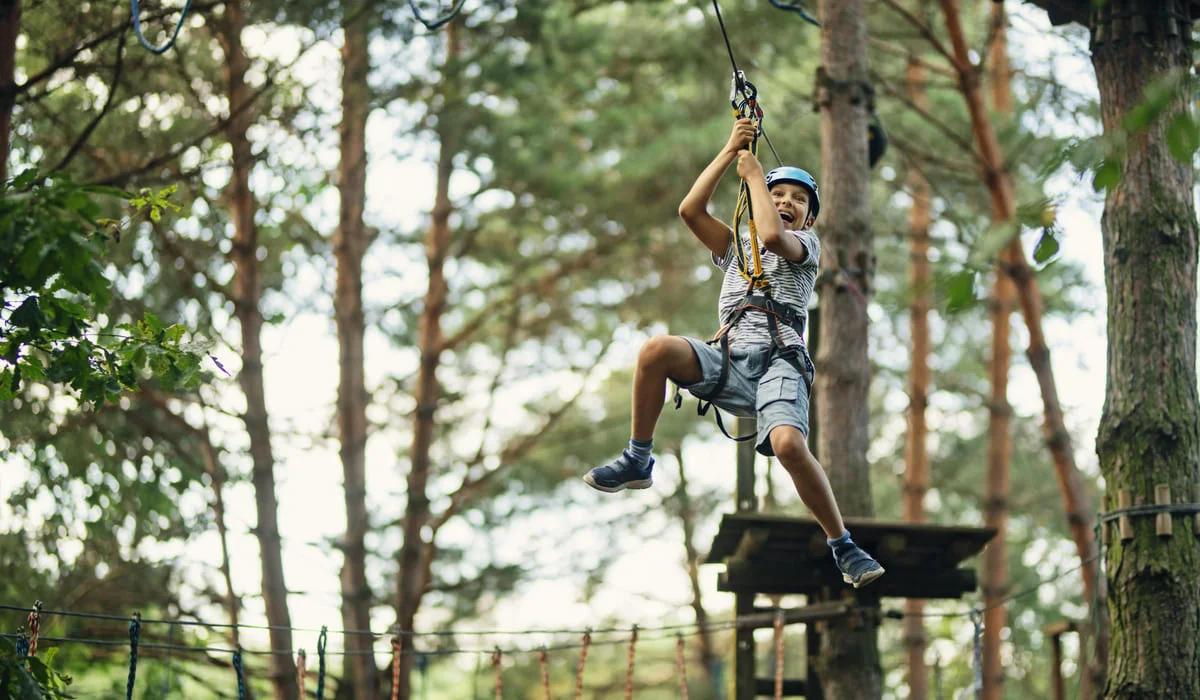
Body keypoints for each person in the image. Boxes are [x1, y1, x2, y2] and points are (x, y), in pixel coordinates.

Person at [582, 117, 885, 589]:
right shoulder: (737, 248)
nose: (786, 202)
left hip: (780, 362)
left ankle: (842, 544)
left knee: (787, 445)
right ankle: (639, 458)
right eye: (779, 194)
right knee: (655, 351)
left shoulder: (805, 245)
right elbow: (690, 210)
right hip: (728, 356)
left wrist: (757, 179)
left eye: (798, 200)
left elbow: (769, 236)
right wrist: (730, 150)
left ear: (809, 219)